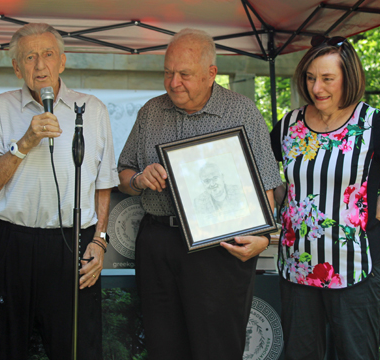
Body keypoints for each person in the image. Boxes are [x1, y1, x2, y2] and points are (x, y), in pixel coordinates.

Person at [269, 35, 380, 360]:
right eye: (310, 78)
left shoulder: (371, 123)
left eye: (327, 79)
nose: (316, 88)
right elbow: (269, 177)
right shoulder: (288, 126)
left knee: (355, 354)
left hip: (357, 267)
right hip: (297, 265)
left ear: (348, 78)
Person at [117, 28, 282, 360]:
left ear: (211, 74)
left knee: (217, 349)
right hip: (159, 241)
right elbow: (123, 174)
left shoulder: (242, 111)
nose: (174, 82)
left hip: (220, 249)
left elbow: (267, 187)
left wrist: (262, 236)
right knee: (163, 346)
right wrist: (139, 179)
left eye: (184, 74)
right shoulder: (151, 111)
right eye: (168, 72)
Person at [0, 23, 119, 360]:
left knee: (76, 347)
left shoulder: (92, 109)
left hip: (75, 242)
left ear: (62, 62)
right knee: (4, 345)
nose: (40, 65)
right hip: (14, 242)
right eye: (29, 57)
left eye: (48, 55)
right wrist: (25, 142)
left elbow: (103, 184)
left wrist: (99, 240)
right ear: (16, 67)